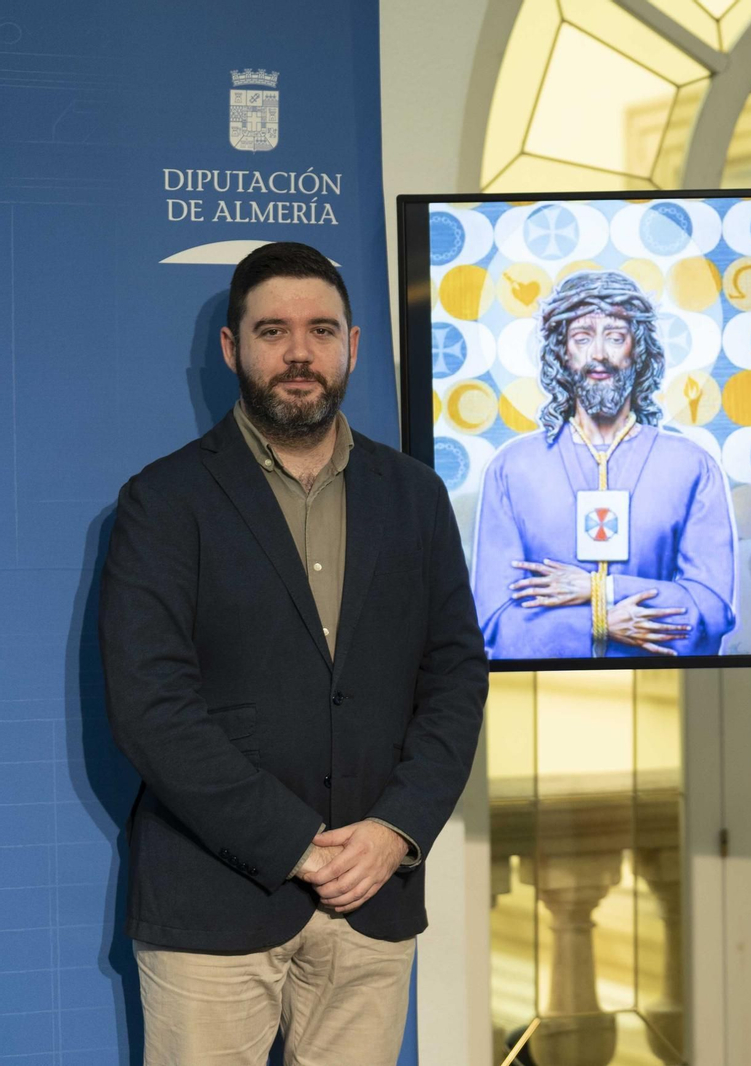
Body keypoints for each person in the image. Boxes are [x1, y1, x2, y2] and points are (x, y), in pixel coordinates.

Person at [99, 242, 488, 1064]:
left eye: (321, 330)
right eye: (273, 331)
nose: (299, 352)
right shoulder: (162, 502)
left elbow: (454, 677)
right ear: (232, 349)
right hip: (214, 904)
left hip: (374, 897)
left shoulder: (416, 496)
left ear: (352, 346)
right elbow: (151, 709)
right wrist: (300, 847)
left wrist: (397, 828)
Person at [472, 270, 738, 659]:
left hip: (670, 695)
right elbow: (493, 625)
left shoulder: (691, 465)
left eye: (615, 337)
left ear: (638, 350)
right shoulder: (513, 468)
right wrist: (598, 623)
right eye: (582, 338)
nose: (598, 354)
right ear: (561, 352)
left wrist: (602, 589)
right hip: (539, 698)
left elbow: (711, 611)